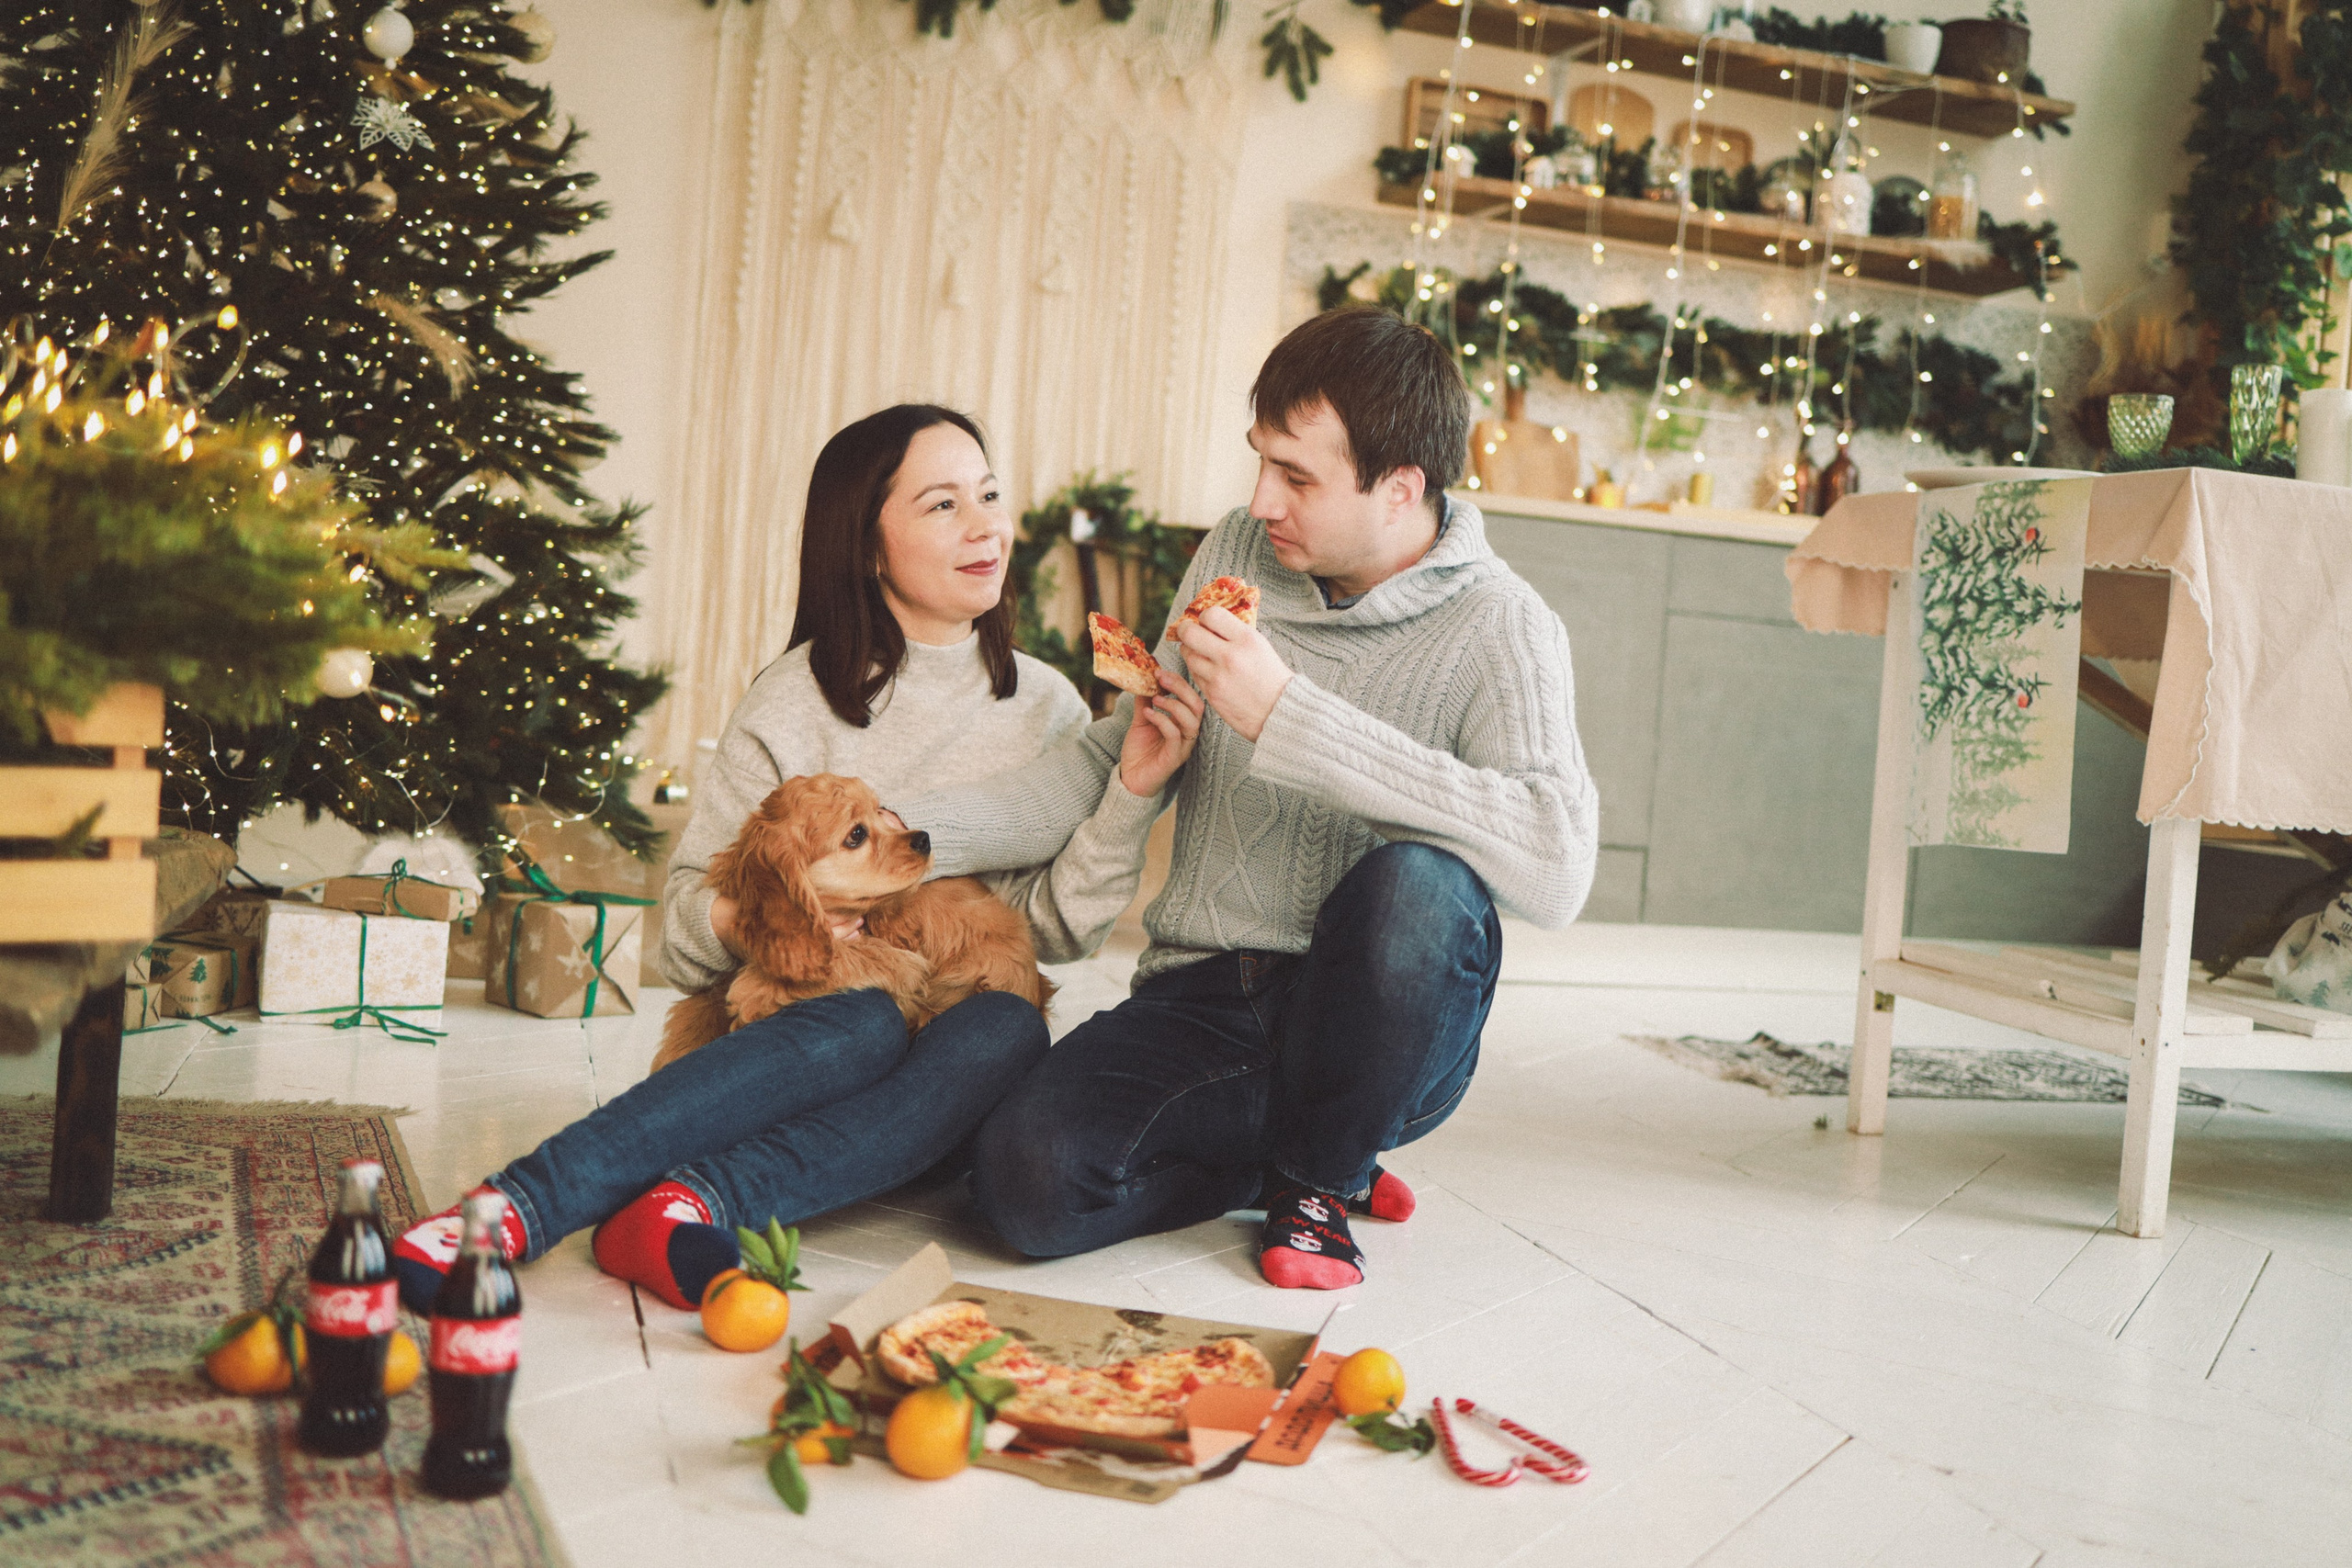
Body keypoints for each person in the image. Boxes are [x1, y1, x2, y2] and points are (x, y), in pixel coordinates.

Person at [390, 404, 1203, 1314]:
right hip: (816, 1037)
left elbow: (1056, 929)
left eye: (988, 495)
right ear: (865, 545)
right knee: (862, 1016)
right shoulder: (793, 700)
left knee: (1007, 1026)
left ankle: (694, 1202)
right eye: (942, 506)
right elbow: (689, 941)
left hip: (939, 1084)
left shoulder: (1046, 706)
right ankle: (533, 1205)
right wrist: (780, 913)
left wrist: (1131, 793)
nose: (985, 527)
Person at [894, 307, 1598, 1290]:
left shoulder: (1503, 626)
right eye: (1259, 460)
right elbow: (1135, 735)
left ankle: (1317, 1183)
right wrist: (912, 837)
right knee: (1022, 1189)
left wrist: (1289, 716)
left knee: (1418, 883)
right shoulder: (1238, 547)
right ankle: (1298, 1159)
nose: (1261, 499)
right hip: (1207, 998)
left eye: (1297, 477)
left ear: (1400, 490)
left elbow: (1558, 865)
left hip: (1380, 1026)